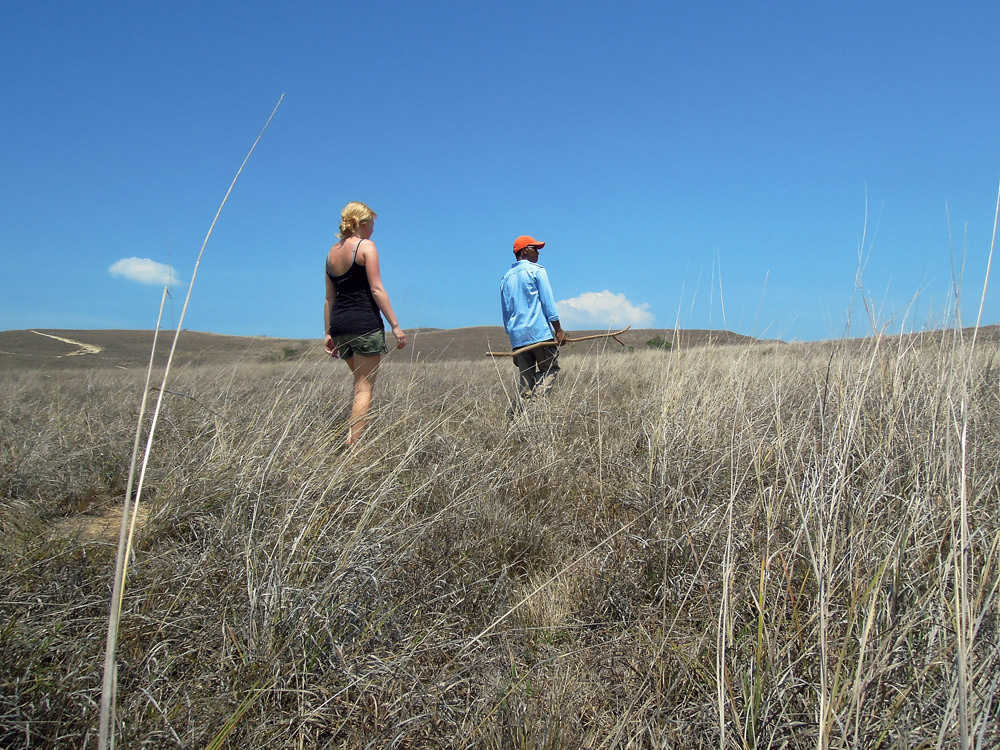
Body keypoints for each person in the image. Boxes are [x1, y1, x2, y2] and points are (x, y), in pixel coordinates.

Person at [324, 201, 405, 445]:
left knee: (359, 382)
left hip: (340, 326)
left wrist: (328, 333)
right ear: (361, 223)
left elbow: (329, 297)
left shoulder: (330, 254)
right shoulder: (366, 247)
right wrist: (395, 325)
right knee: (364, 386)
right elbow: (377, 289)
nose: (373, 229)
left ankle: (353, 435)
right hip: (364, 324)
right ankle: (354, 443)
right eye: (371, 223)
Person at [499, 234, 567, 403]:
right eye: (534, 248)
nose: (538, 253)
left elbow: (506, 313)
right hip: (539, 333)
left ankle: (524, 416)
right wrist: (558, 330)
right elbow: (548, 302)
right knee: (550, 368)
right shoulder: (537, 271)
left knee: (526, 382)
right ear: (524, 251)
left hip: (518, 338)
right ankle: (537, 408)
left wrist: (513, 340)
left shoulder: (506, 278)